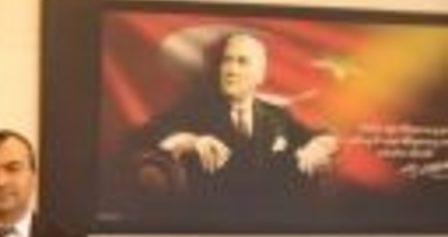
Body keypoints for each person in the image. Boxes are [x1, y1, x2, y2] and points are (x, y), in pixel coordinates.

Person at [131, 32, 339, 212]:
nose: (231, 70)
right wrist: (191, 141)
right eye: (227, 61)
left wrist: (317, 147)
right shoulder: (194, 109)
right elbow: (148, 133)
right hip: (212, 222)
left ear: (260, 75)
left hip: (270, 222)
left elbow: (323, 135)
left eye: (242, 62)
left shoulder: (277, 115)